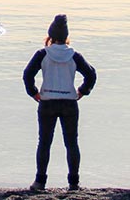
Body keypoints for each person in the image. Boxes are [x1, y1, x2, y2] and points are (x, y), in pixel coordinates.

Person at [23, 14, 97, 192]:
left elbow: (27, 75)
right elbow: (91, 74)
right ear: (66, 37)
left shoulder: (43, 54)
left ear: (50, 36)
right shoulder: (74, 55)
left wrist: (33, 92)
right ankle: (73, 183)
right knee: (71, 143)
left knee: (44, 142)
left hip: (47, 101)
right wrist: (82, 91)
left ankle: (40, 182)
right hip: (69, 103)